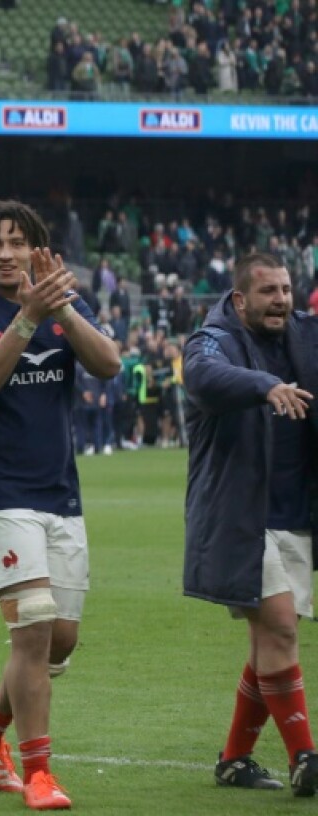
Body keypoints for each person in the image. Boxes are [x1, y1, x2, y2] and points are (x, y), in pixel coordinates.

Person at [0, 199, 120, 810]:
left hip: (59, 493)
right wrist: (26, 319)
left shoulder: (63, 304)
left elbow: (109, 364)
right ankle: (41, 774)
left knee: (60, 639)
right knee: (35, 625)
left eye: (18, 242)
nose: (6, 253)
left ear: (38, 250)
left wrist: (59, 305)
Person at [183, 252, 318, 795]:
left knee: (269, 641)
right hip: (241, 516)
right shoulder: (211, 340)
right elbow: (204, 378)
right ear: (240, 300)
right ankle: (305, 757)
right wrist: (265, 385)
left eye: (286, 290)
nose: (281, 300)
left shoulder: (304, 337)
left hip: (296, 515)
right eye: (268, 292)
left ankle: (235, 759)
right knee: (281, 627)